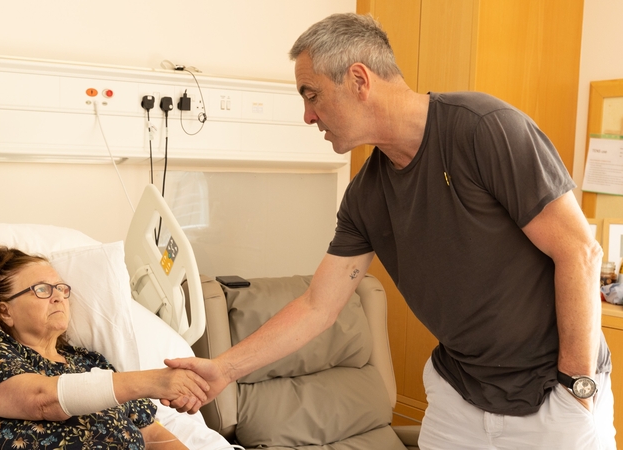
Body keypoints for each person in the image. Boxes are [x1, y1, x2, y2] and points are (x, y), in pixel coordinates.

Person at [164, 12, 615, 450]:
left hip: (550, 397)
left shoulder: (483, 130)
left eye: (312, 94)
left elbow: (580, 252)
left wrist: (578, 387)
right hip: (459, 398)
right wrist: (223, 369)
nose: (307, 116)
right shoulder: (366, 195)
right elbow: (318, 306)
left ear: (359, 80)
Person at [0, 246, 208, 450]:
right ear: (6, 311)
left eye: (61, 288)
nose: (58, 297)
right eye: (42, 290)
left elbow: (153, 436)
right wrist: (155, 382)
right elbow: (43, 401)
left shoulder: (90, 362)